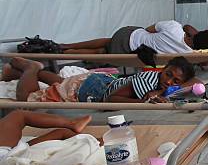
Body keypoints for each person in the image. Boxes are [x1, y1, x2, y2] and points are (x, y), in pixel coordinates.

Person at [1, 57, 195, 103]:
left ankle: (14, 72)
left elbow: (197, 83)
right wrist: (144, 101)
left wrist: (162, 91)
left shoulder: (160, 83)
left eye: (176, 81)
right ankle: (31, 68)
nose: (169, 82)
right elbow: (111, 99)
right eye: (168, 74)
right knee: (29, 98)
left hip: (99, 80)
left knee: (62, 81)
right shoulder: (147, 80)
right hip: (91, 89)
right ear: (163, 69)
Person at [60, 21, 208, 54]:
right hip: (130, 52)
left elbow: (149, 29)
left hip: (129, 34)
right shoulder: (187, 54)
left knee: (108, 41)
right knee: (102, 52)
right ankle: (66, 53)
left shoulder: (174, 27)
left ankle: (66, 45)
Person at [0, 111, 93, 154]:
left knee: (61, 133)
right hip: (4, 154)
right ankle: (72, 123)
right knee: (17, 116)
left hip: (9, 154)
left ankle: (97, 142)